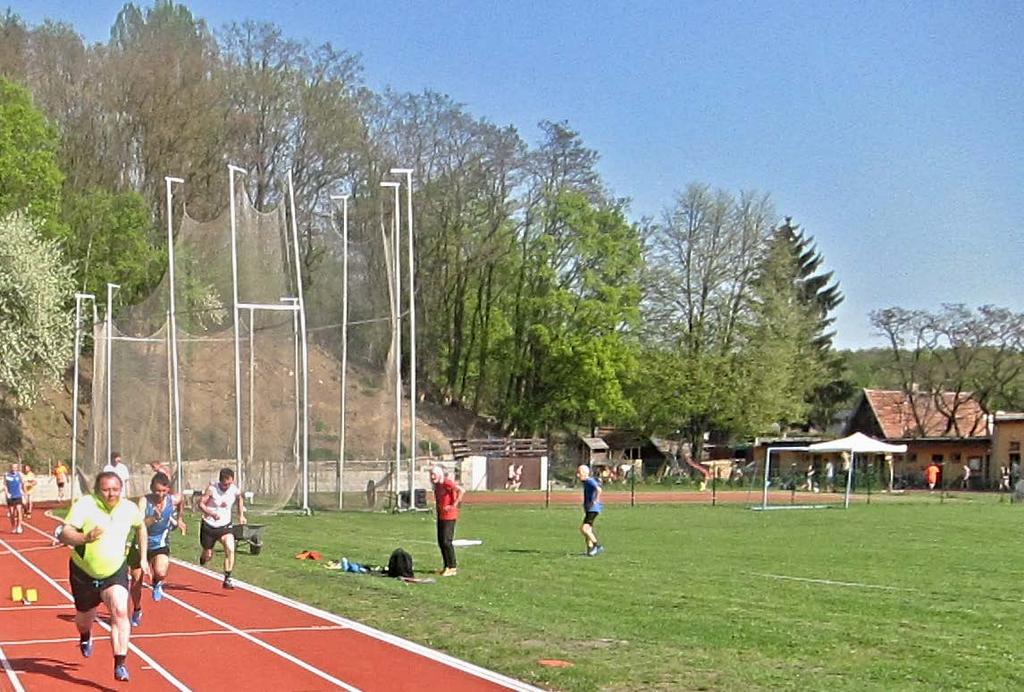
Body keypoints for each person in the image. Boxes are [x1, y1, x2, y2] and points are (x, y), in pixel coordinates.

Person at [56, 471, 148, 682]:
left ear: (121, 489)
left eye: (115, 490)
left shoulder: (128, 508)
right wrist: (85, 537)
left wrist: (142, 558)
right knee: (83, 621)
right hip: (83, 574)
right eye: (106, 490)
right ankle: (85, 636)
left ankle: (120, 663)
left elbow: (141, 526)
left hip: (114, 571)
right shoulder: (85, 505)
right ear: (98, 490)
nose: (110, 494)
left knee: (120, 608)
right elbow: (64, 533)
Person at [128, 472, 187, 626]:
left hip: (160, 543)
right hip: (140, 545)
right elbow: (139, 526)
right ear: (151, 489)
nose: (160, 494)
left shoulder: (173, 499)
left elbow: (181, 500)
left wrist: (179, 519)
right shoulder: (144, 501)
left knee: (161, 572)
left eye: (164, 491)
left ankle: (156, 582)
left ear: (168, 490)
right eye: (157, 491)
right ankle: (137, 609)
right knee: (135, 581)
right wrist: (153, 518)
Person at [198, 467, 246, 589]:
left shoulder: (234, 490)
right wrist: (211, 513)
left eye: (229, 483)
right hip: (209, 526)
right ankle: (204, 556)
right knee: (208, 554)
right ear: (220, 481)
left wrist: (241, 515)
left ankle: (227, 578)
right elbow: (200, 503)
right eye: (225, 484)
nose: (227, 487)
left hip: (225, 526)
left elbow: (240, 499)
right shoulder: (212, 489)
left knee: (230, 548)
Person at [429, 465, 464, 577]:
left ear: (439, 474)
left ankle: (452, 567)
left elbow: (461, 490)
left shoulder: (446, 483)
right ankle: (446, 566)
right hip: (441, 515)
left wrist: (453, 505)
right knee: (440, 541)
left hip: (449, 516)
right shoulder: (437, 486)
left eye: (433, 474)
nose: (432, 476)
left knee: (446, 541)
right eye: (431, 474)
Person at [576, 464, 603, 556]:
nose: (577, 475)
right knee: (588, 530)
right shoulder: (586, 482)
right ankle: (590, 551)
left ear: (584, 473)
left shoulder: (589, 481)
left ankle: (597, 546)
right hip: (589, 509)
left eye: (579, 473)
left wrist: (596, 500)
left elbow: (598, 489)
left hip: (593, 509)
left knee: (584, 529)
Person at [3, 462, 24, 534]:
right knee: (12, 513)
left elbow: (22, 483)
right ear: (10, 468)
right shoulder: (6, 475)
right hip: (10, 496)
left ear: (17, 468)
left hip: (18, 495)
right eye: (12, 467)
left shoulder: (19, 474)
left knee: (19, 511)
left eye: (15, 467)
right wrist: (7, 493)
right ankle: (13, 527)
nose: (14, 468)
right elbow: (5, 485)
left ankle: (19, 526)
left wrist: (23, 493)